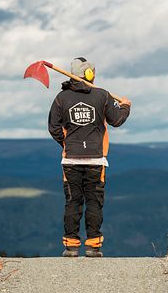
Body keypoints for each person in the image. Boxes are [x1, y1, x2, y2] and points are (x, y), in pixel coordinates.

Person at [47, 57, 131, 257]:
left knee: (73, 201)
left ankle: (71, 246)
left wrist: (67, 144)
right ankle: (93, 246)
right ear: (90, 75)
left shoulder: (61, 97)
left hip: (70, 160)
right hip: (96, 159)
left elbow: (53, 128)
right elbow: (116, 120)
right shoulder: (102, 95)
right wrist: (125, 106)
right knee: (94, 201)